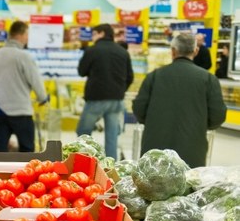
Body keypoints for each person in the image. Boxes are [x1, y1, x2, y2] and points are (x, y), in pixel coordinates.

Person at [133, 32, 226, 168]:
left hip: (155, 151)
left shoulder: (154, 76)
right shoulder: (208, 79)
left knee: (153, 184)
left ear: (173, 51)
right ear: (196, 51)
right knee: (189, 186)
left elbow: (139, 108)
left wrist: (153, 123)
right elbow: (218, 115)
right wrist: (198, 125)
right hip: (192, 149)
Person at [0, 21, 48, 153]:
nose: (27, 38)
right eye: (27, 34)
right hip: (20, 111)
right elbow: (35, 80)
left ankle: (0, 173)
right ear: (21, 35)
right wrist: (43, 97)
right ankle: (26, 173)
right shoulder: (24, 56)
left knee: (0, 150)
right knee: (27, 149)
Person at [76, 24, 133, 158]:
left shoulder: (92, 50)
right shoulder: (122, 52)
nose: (92, 37)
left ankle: (84, 162)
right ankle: (110, 167)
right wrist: (120, 90)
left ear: (101, 33)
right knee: (112, 137)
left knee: (83, 133)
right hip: (116, 100)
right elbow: (130, 77)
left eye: (94, 34)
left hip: (96, 98)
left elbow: (81, 71)